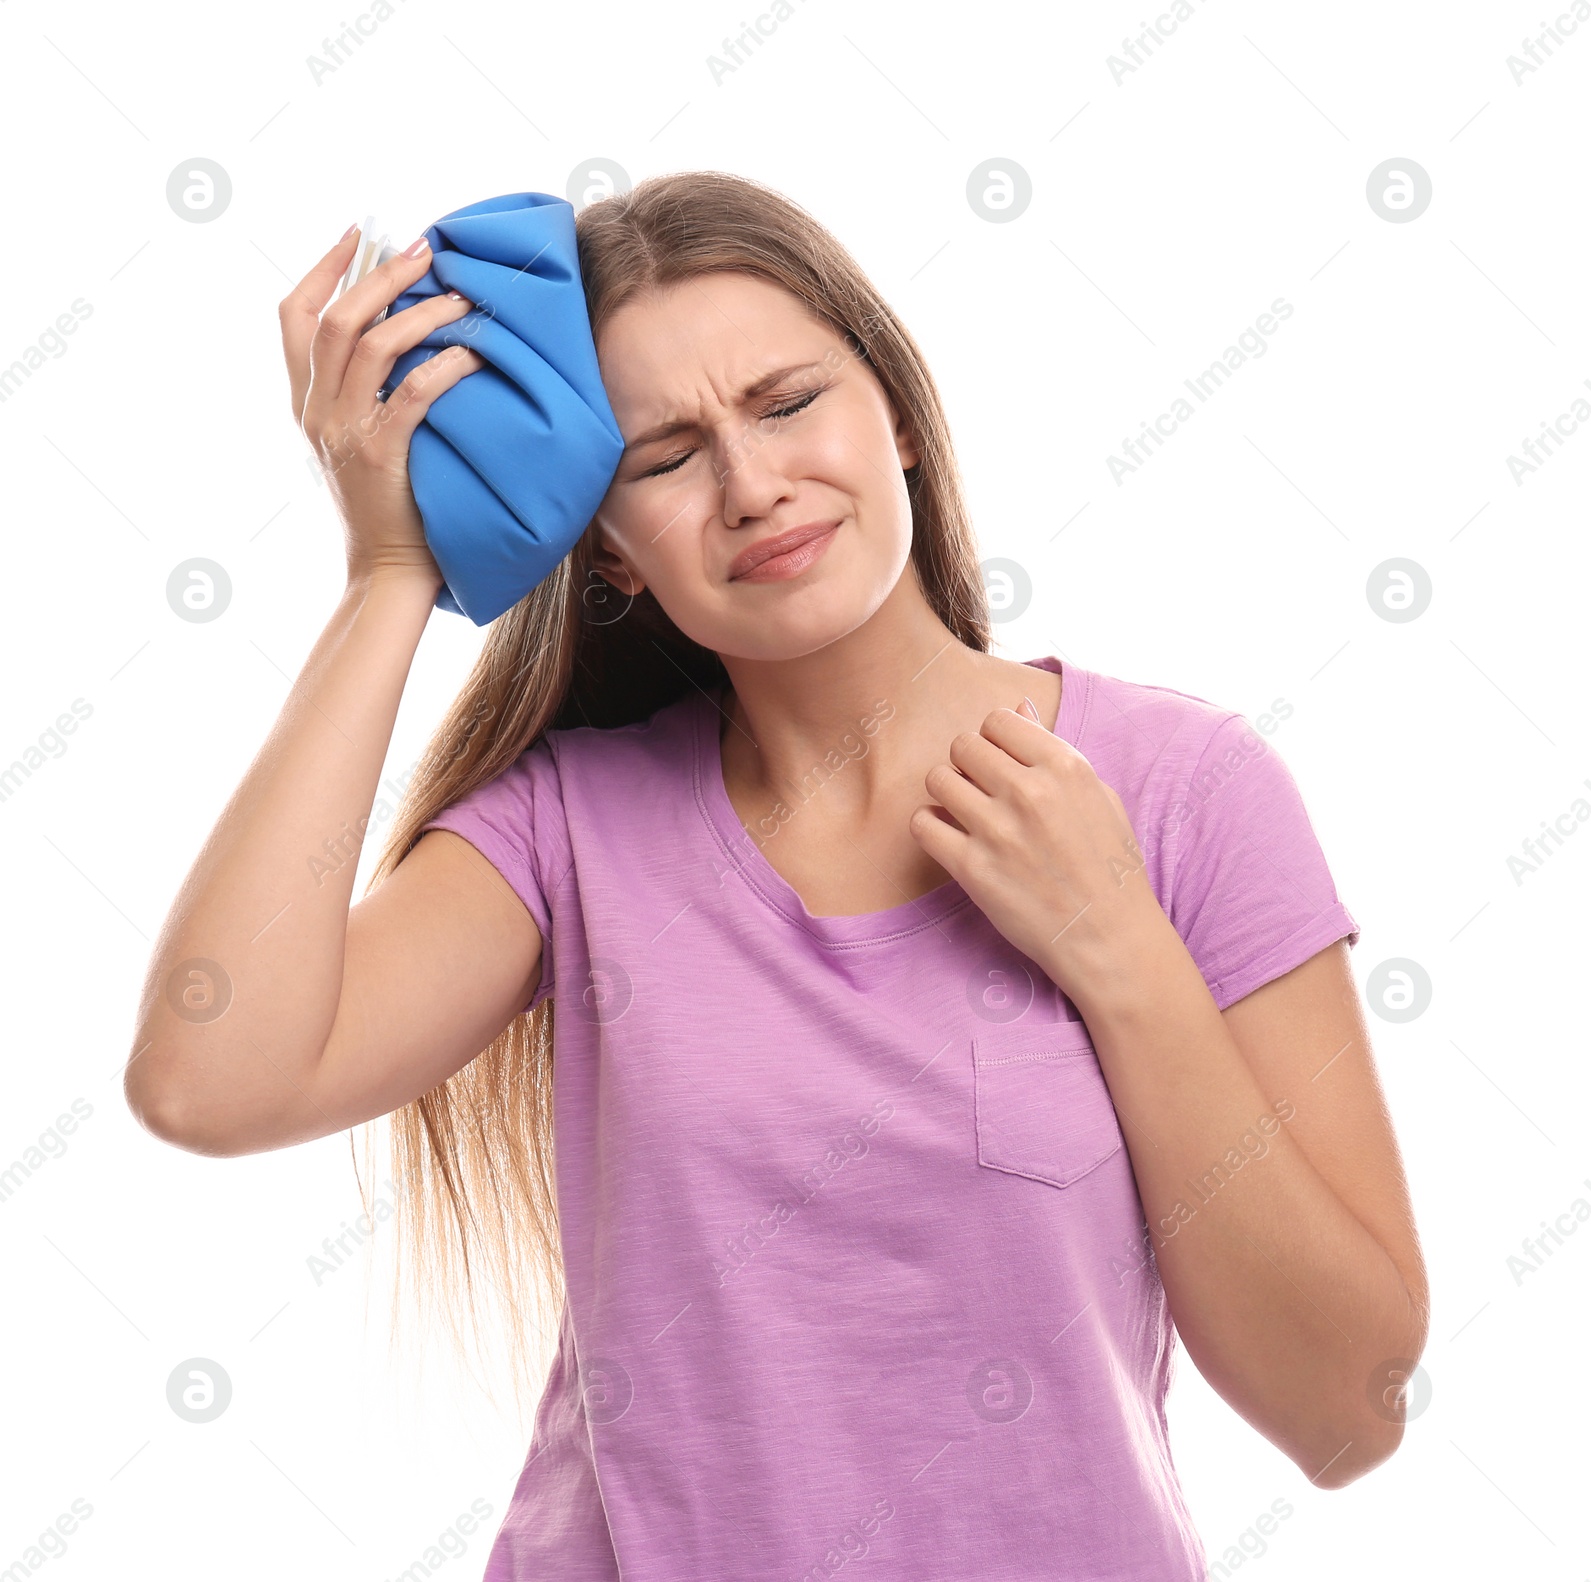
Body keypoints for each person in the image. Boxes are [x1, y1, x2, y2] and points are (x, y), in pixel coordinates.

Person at [125, 170, 1429, 1581]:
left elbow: (1343, 1412)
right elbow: (210, 1075)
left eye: (789, 401)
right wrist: (390, 570)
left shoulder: (1185, 793)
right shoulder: (575, 833)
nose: (753, 485)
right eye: (665, 456)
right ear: (606, 554)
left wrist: (1120, 948)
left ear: (903, 426)